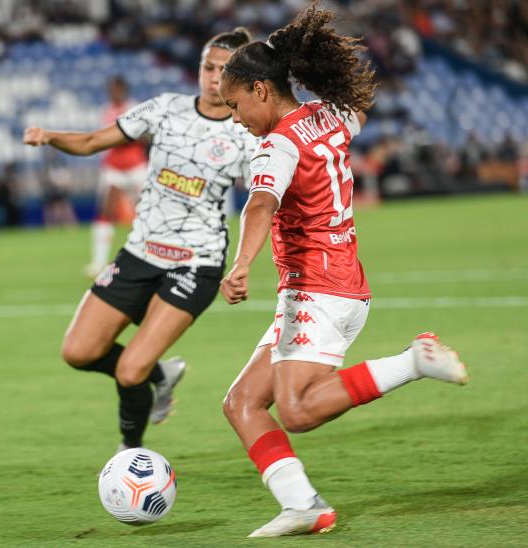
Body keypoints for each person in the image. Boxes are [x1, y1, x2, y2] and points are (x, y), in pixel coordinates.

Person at [217, 3, 468, 538]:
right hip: (336, 285)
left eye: (235, 104)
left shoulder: (277, 145)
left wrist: (240, 266)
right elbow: (359, 107)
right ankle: (303, 504)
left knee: (299, 411)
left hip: (317, 288)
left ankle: (413, 362)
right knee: (242, 402)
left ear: (261, 90)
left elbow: (259, 206)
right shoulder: (329, 115)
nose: (235, 117)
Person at [23, 28, 260, 451]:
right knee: (78, 351)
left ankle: (130, 454)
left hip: (195, 263)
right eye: (208, 67)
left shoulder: (245, 133)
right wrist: (52, 136)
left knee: (130, 369)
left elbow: (263, 200)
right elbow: (96, 140)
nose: (213, 77)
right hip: (140, 253)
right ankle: (160, 375)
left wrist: (243, 263)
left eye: (225, 70)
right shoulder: (166, 108)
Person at [85, 75, 149, 277]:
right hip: (113, 167)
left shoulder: (136, 108)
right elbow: (107, 139)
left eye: (116, 88)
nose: (113, 92)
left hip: (136, 166)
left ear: (124, 89)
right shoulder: (105, 111)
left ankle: (150, 256)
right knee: (105, 212)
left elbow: (145, 135)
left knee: (147, 211)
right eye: (110, 89)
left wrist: (125, 136)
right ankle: (98, 262)